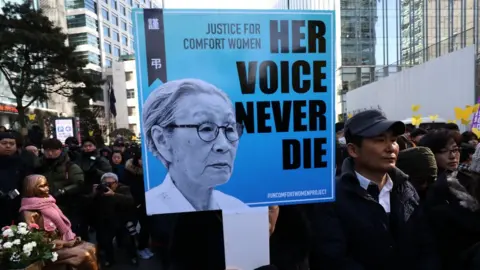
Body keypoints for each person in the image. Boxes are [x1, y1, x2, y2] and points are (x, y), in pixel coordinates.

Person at [310, 110, 433, 270]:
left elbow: (426, 244)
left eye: (394, 140)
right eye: (380, 140)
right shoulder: (332, 196)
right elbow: (332, 258)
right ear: (353, 150)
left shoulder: (406, 188)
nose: (390, 148)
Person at [143, 79, 248, 214]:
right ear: (162, 139)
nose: (223, 145)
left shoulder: (238, 209)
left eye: (229, 129)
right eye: (206, 129)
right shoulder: (152, 211)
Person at [19, 174, 98, 270]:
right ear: (31, 188)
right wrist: (64, 243)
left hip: (63, 240)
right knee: (85, 255)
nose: (47, 188)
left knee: (92, 248)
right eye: (42, 186)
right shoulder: (29, 211)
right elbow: (36, 240)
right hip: (48, 249)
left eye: (47, 185)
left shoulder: (49, 202)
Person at [37, 138, 84, 234]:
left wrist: (64, 191)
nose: (50, 153)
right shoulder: (39, 165)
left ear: (60, 150)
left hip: (66, 205)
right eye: (47, 150)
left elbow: (79, 183)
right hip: (44, 205)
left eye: (53, 150)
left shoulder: (70, 166)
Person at [91, 173, 138, 267]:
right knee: (106, 242)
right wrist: (94, 194)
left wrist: (114, 194)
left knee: (127, 241)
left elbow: (130, 200)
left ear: (116, 183)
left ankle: (133, 256)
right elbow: (91, 205)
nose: (108, 185)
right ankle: (110, 259)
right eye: (105, 183)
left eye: (111, 183)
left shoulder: (124, 189)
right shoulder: (100, 191)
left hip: (122, 221)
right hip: (107, 222)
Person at [0, 131, 37, 227]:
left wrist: (14, 194)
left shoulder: (23, 163)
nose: (8, 146)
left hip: (17, 205)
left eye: (11, 144)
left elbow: (27, 183)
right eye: (4, 143)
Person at [124, 151, 154, 260]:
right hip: (134, 204)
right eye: (141, 158)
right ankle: (135, 250)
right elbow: (128, 188)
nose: (143, 161)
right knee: (132, 228)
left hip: (147, 202)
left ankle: (143, 247)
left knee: (146, 226)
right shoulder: (129, 171)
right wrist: (136, 202)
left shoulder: (150, 170)